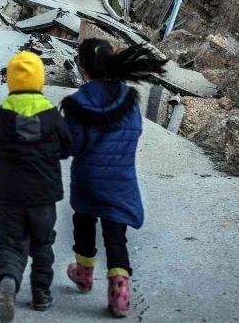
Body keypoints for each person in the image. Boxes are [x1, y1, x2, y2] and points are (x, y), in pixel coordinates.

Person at [61, 39, 167, 317]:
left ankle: (83, 274)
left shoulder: (77, 103)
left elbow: (72, 144)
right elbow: (135, 132)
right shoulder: (128, 99)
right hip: (120, 177)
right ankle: (119, 292)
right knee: (115, 234)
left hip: (86, 177)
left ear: (83, 68)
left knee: (83, 222)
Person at [0, 50, 72, 322]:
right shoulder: (52, 117)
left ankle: (8, 280)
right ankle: (41, 293)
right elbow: (69, 146)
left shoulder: (1, 118)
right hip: (44, 195)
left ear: (11, 83)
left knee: (10, 242)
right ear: (40, 81)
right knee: (43, 243)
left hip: (9, 195)